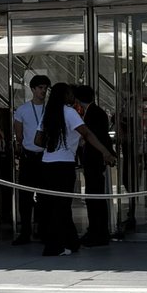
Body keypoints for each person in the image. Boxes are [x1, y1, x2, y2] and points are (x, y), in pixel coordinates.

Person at [40, 83, 116, 257]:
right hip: (64, 164)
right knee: (62, 205)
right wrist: (105, 152)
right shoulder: (69, 112)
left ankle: (71, 241)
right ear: (65, 95)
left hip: (47, 163)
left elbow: (38, 140)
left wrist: (54, 143)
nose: (71, 96)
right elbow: (87, 134)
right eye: (69, 93)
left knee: (57, 204)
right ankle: (54, 245)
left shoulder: (48, 113)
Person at [73, 84, 113, 246]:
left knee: (94, 197)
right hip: (94, 160)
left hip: (94, 161)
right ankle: (96, 230)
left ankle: (98, 232)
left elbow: (93, 137)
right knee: (94, 196)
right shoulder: (95, 112)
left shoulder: (93, 114)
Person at [12, 74, 49, 245]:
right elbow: (18, 135)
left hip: (46, 156)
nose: (43, 91)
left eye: (45, 88)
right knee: (25, 196)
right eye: (40, 88)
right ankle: (25, 231)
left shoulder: (50, 109)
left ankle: (42, 229)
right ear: (33, 89)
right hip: (29, 156)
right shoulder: (22, 110)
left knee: (44, 196)